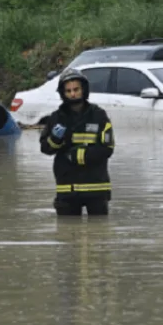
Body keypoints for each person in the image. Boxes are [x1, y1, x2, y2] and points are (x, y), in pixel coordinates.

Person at [39, 68, 114, 216]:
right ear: (63, 93)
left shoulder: (99, 116)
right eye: (68, 91)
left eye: (76, 89)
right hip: (67, 189)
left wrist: (78, 156)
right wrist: (55, 139)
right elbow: (45, 149)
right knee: (67, 234)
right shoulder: (56, 118)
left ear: (84, 90)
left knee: (99, 234)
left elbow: (107, 148)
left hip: (96, 188)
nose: (73, 94)